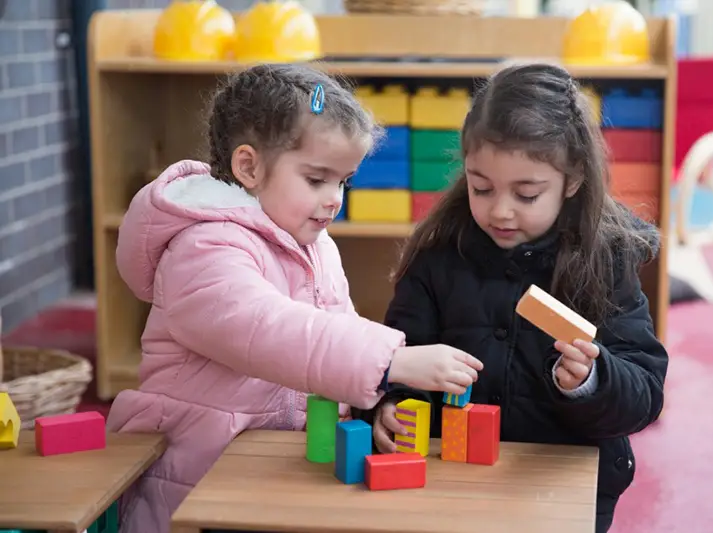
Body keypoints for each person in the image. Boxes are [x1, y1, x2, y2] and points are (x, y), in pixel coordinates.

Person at [106, 64, 483, 533]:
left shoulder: (315, 245)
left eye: (343, 181)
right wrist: (390, 361)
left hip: (270, 469)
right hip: (194, 479)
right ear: (249, 167)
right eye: (316, 179)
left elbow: (334, 333)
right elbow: (265, 329)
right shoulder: (203, 247)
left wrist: (373, 404)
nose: (334, 199)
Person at [365, 63, 669, 533]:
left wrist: (592, 378)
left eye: (526, 194)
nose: (500, 210)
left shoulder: (604, 259)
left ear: (571, 181)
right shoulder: (439, 256)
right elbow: (398, 352)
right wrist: (389, 404)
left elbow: (644, 393)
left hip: (565, 487)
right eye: (480, 187)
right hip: (453, 485)